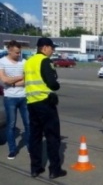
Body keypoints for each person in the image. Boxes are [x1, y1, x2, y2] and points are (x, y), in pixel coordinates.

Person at [24, 37, 67, 179]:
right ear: (44, 48)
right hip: (45, 103)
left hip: (31, 103)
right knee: (52, 137)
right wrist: (57, 85)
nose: (53, 50)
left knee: (35, 137)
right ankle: (55, 170)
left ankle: (35, 169)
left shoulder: (28, 62)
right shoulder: (45, 61)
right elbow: (52, 83)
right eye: (52, 48)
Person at [0, 40, 30, 160]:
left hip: (24, 97)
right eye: (17, 53)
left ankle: (29, 147)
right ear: (10, 50)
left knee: (28, 124)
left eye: (20, 52)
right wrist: (20, 77)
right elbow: (4, 81)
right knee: (11, 125)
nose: (19, 55)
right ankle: (12, 150)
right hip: (10, 98)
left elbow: (28, 80)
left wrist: (13, 82)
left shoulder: (24, 62)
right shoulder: (2, 62)